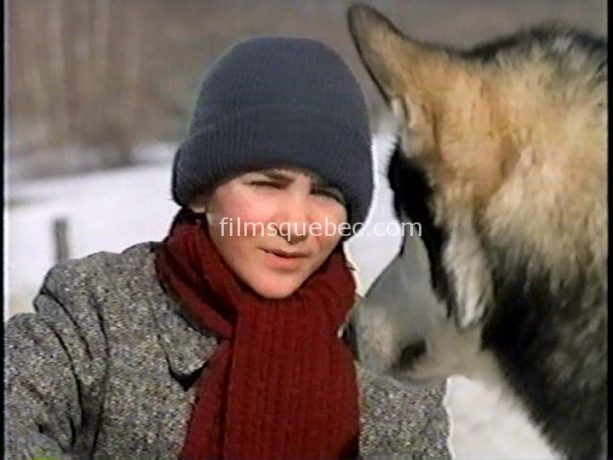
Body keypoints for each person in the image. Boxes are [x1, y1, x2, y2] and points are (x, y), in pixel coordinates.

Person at [5, 37, 449, 459]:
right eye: (265, 185)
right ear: (201, 193)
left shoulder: (394, 366)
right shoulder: (97, 314)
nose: (295, 224)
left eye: (326, 194)